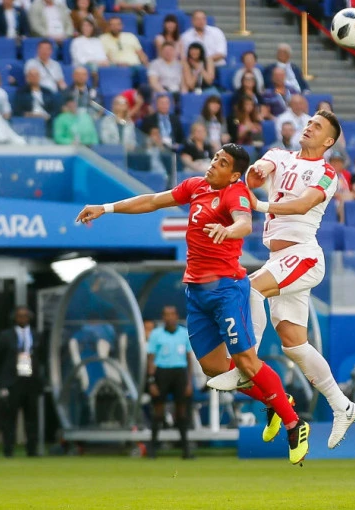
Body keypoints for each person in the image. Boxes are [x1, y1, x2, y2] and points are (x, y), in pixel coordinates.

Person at [76, 144, 311, 465]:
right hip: (197, 292)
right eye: (215, 158)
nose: (214, 164)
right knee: (213, 368)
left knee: (246, 361)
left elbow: (244, 223)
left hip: (226, 290)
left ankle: (294, 424)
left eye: (222, 163)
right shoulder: (195, 186)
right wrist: (105, 208)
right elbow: (153, 201)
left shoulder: (236, 193)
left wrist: (227, 230)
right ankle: (277, 400)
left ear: (235, 175)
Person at [206, 110, 355, 451]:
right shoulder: (279, 154)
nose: (309, 128)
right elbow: (257, 173)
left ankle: (246, 366)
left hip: (303, 254)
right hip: (280, 259)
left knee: (249, 290)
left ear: (329, 141)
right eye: (309, 123)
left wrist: (261, 205)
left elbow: (304, 204)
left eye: (317, 127)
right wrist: (257, 172)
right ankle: (343, 406)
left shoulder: (326, 173)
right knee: (294, 344)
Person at [0, 306, 45, 458]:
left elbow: (42, 357)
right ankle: (8, 449)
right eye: (19, 316)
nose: (22, 318)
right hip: (13, 381)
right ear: (14, 318)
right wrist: (3, 381)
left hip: (30, 380)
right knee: (10, 417)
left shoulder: (36, 335)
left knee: (32, 417)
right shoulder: (6, 336)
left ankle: (32, 449)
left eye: (25, 316)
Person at [147, 306, 193, 459]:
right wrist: (151, 381)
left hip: (180, 373)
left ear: (177, 316)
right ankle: (152, 450)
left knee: (181, 412)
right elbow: (150, 359)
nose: (170, 317)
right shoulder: (156, 334)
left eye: (172, 314)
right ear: (163, 317)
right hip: (162, 373)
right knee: (158, 411)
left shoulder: (184, 333)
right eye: (167, 315)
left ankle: (186, 450)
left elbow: (189, 358)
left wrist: (189, 382)